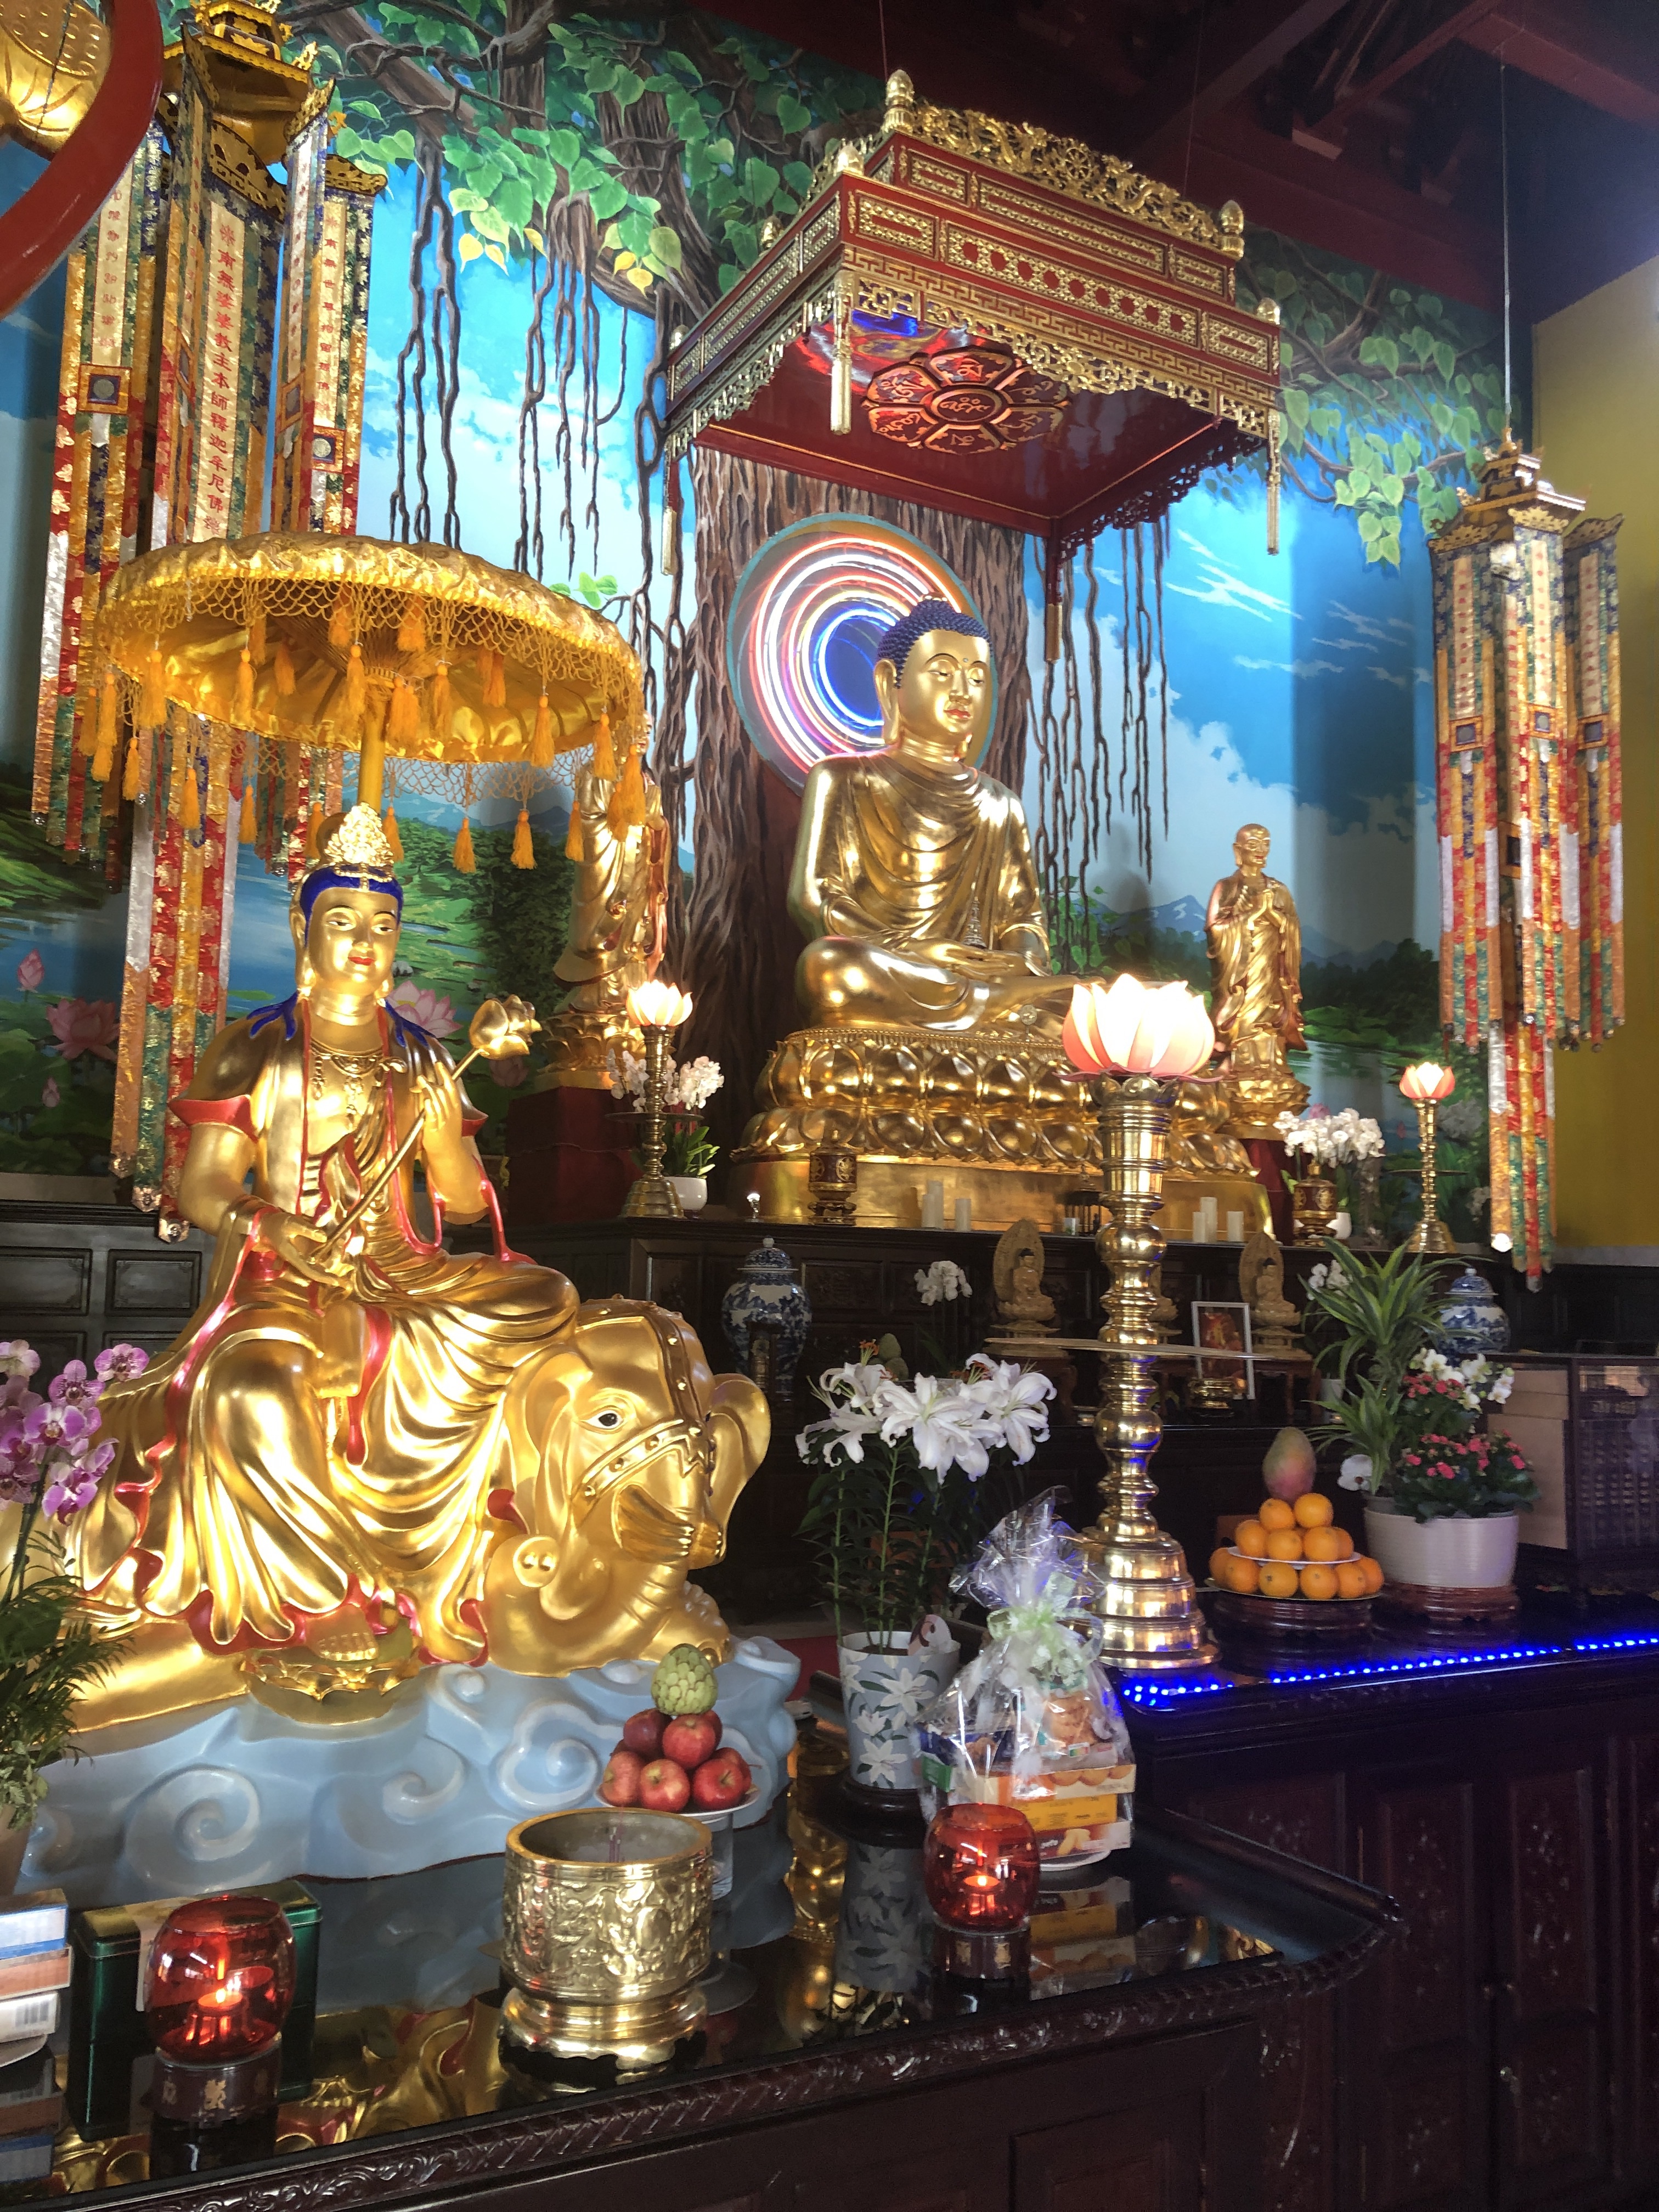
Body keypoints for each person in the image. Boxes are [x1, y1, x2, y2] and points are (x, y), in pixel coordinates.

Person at [69, 805, 763, 1726]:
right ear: (304, 930)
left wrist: (449, 1116)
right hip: (286, 1279)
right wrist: (269, 1226)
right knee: (248, 1392)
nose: (365, 942)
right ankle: (322, 1594)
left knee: (544, 1296)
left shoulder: (421, 1055)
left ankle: (481, 1554)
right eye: (343, 921)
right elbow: (202, 1187)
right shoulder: (256, 1045)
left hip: (402, 1273)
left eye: (383, 924)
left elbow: (466, 1206)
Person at [789, 600, 1075, 1034]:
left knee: (1094, 996)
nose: (962, 691)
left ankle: (997, 1003)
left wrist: (1017, 959)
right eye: (942, 672)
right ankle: (996, 1008)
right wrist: (915, 949)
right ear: (889, 682)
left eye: (977, 678)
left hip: (979, 974)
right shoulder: (844, 777)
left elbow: (1022, 918)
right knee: (829, 967)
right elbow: (814, 899)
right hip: (898, 965)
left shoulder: (1000, 803)